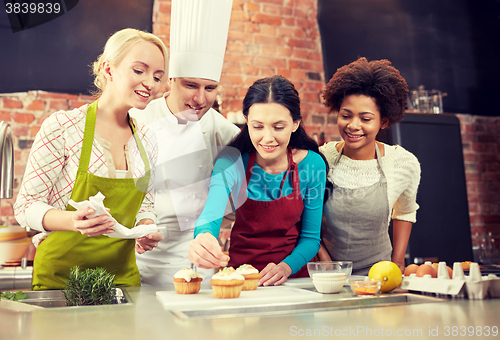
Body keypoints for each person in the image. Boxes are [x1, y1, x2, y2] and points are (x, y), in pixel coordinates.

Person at [13, 28, 166, 290]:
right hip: (62, 280)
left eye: (157, 76)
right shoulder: (64, 127)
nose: (150, 83)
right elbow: (26, 207)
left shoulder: (147, 139)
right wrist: (73, 221)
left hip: (121, 279)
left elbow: (145, 203)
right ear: (108, 69)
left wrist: (146, 226)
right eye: (139, 71)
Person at [131, 0, 240, 286]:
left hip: (195, 266)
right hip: (134, 259)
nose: (200, 99)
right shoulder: (136, 120)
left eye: (210, 88)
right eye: (191, 85)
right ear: (171, 80)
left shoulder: (225, 132)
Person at [188, 75, 327, 286]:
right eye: (258, 126)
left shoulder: (312, 165)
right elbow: (211, 215)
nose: (267, 138)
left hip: (293, 279)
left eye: (278, 127)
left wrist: (285, 267)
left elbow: (311, 238)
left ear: (295, 123)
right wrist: (204, 236)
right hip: (241, 279)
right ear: (247, 121)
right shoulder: (231, 161)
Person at [317, 57, 421, 275]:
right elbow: (306, 217)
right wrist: (325, 263)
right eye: (346, 115)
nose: (353, 125)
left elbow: (405, 211)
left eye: (365, 119)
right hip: (328, 276)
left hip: (379, 275)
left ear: (383, 122)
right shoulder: (320, 158)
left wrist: (398, 262)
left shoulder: (403, 163)